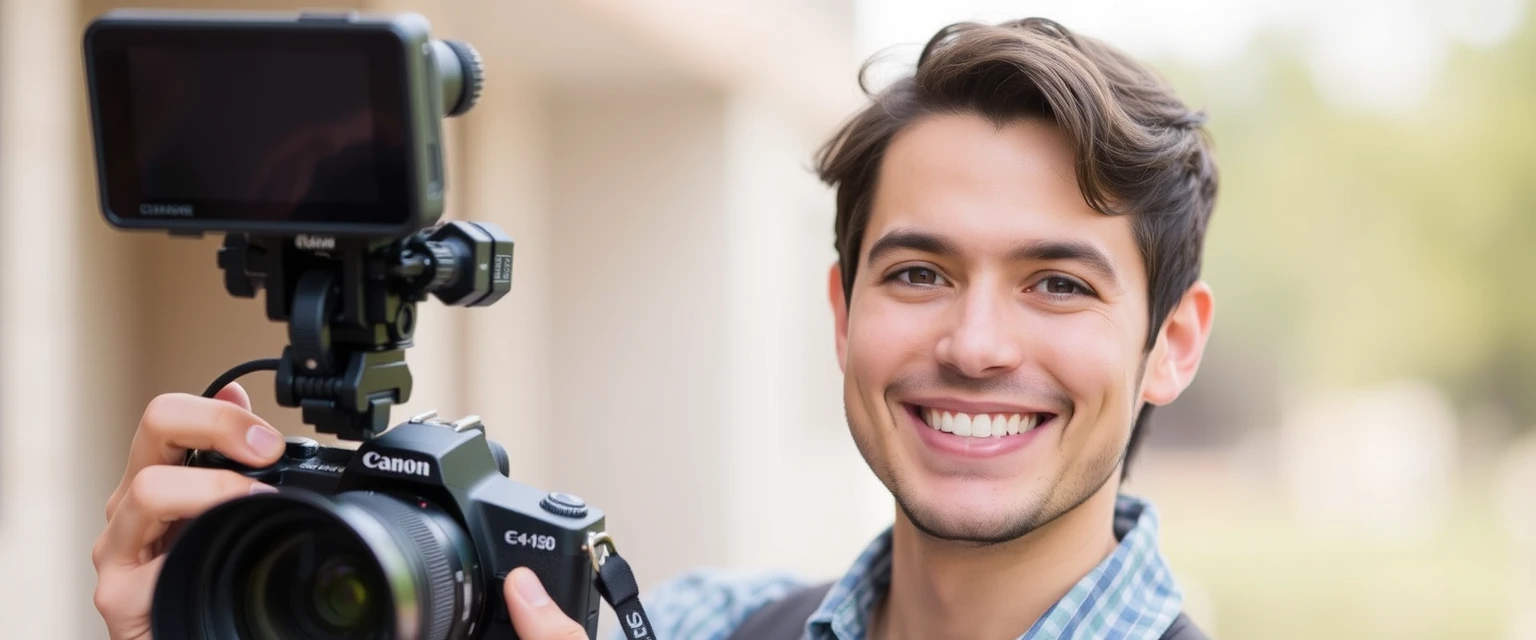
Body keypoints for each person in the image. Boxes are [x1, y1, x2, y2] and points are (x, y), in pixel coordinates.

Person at [92, 16, 1217, 640]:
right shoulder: (692, 628)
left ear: (1172, 342)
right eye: (918, 271)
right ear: (842, 313)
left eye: (1057, 284)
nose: (975, 343)